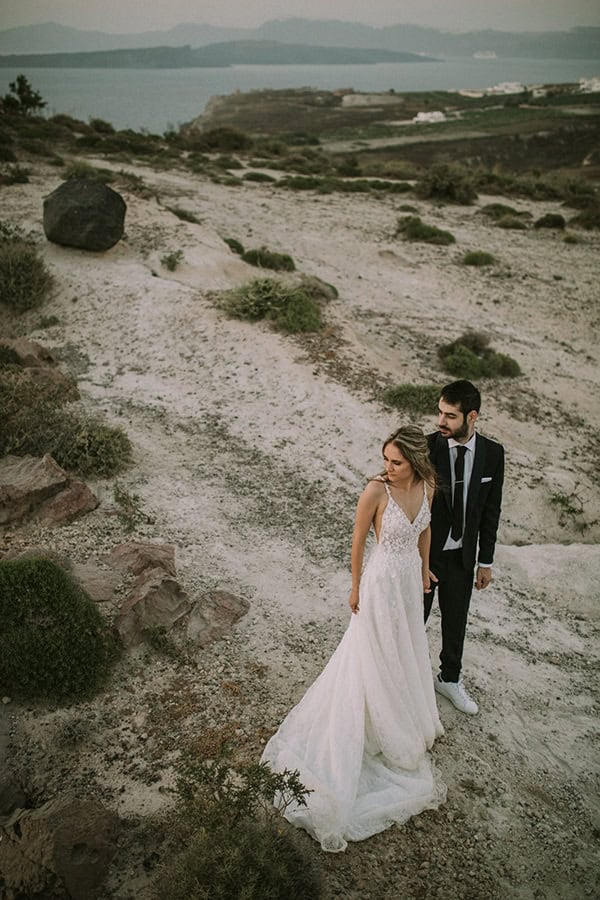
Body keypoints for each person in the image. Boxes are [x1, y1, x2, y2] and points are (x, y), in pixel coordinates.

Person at [261, 425, 446, 852]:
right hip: (381, 584)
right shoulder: (376, 491)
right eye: (386, 460)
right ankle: (371, 720)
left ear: (416, 462)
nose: (388, 468)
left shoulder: (428, 485)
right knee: (372, 653)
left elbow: (425, 530)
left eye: (396, 462)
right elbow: (358, 539)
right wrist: (356, 586)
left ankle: (404, 713)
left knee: (404, 649)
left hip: (406, 583)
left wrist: (423, 570)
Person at [426, 380, 504, 716]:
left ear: (471, 417)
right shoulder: (426, 448)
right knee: (413, 619)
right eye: (440, 413)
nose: (441, 422)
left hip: (462, 555)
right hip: (425, 554)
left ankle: (450, 678)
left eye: (450, 416)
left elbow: (491, 510)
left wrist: (485, 562)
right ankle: (405, 682)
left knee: (456, 621)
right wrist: (413, 558)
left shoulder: (492, 455)